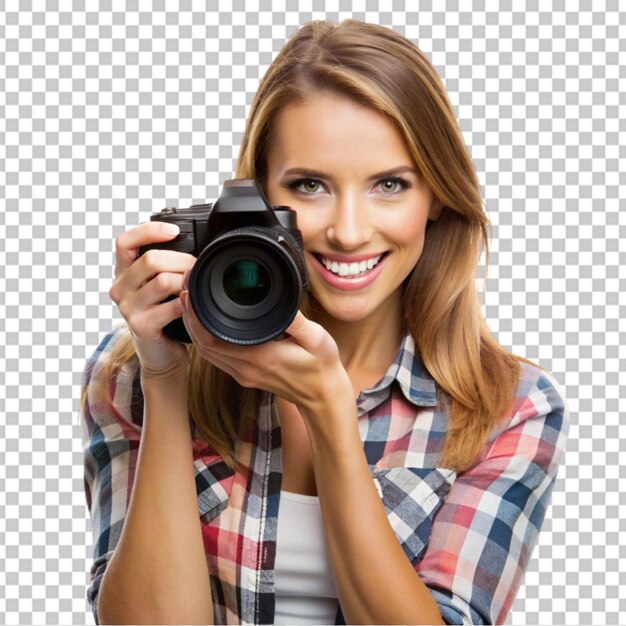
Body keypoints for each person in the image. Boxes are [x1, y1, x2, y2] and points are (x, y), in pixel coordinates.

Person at [80, 19, 568, 625]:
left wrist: (332, 414)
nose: (349, 231)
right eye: (310, 186)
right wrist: (166, 379)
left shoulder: (508, 408)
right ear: (261, 196)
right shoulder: (132, 371)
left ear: (437, 195)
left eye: (390, 184)